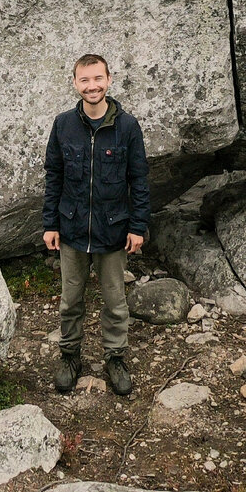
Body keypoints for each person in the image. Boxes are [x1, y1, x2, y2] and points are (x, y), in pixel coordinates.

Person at [42, 53, 150, 396]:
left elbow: (140, 181)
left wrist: (137, 226)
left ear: (109, 80)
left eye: (98, 79)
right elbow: (53, 177)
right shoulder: (62, 125)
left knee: (116, 303)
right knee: (70, 301)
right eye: (85, 80)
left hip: (113, 231)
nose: (92, 86)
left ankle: (115, 358)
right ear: (75, 83)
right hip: (72, 231)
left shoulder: (128, 127)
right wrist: (50, 224)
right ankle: (70, 356)